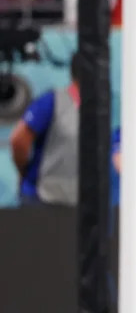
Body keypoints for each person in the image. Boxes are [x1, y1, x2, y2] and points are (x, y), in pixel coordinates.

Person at [9, 52, 80, 206]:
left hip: (75, 200)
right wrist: (24, 170)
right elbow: (18, 140)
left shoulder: (96, 110)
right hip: (40, 199)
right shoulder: (51, 101)